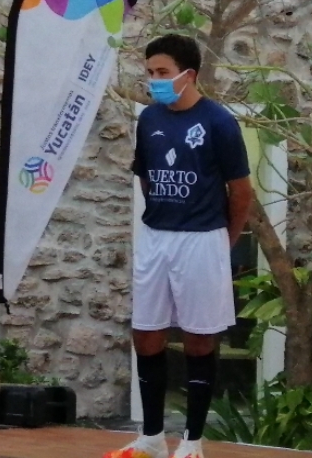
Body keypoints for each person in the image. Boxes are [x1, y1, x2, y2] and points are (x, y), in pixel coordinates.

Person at [105, 35, 253, 458]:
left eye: (163, 73)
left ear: (189, 75)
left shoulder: (219, 122)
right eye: (150, 73)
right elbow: (146, 175)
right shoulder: (148, 118)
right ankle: (151, 437)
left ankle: (192, 442)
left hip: (202, 239)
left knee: (198, 339)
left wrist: (224, 241)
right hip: (156, 236)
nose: (154, 81)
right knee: (146, 333)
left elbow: (241, 192)